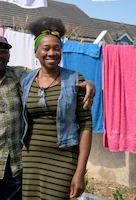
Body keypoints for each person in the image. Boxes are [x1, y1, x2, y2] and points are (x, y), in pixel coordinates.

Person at [0, 35, 95, 200]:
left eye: (3, 51)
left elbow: (49, 72)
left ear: (9, 56)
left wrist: (89, 83)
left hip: (17, 168)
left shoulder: (20, 76)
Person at [20, 17, 93, 199]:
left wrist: (80, 172)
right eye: (46, 48)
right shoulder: (25, 80)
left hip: (64, 159)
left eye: (57, 48)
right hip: (30, 159)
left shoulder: (76, 80)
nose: (51, 53)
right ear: (36, 52)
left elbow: (86, 126)